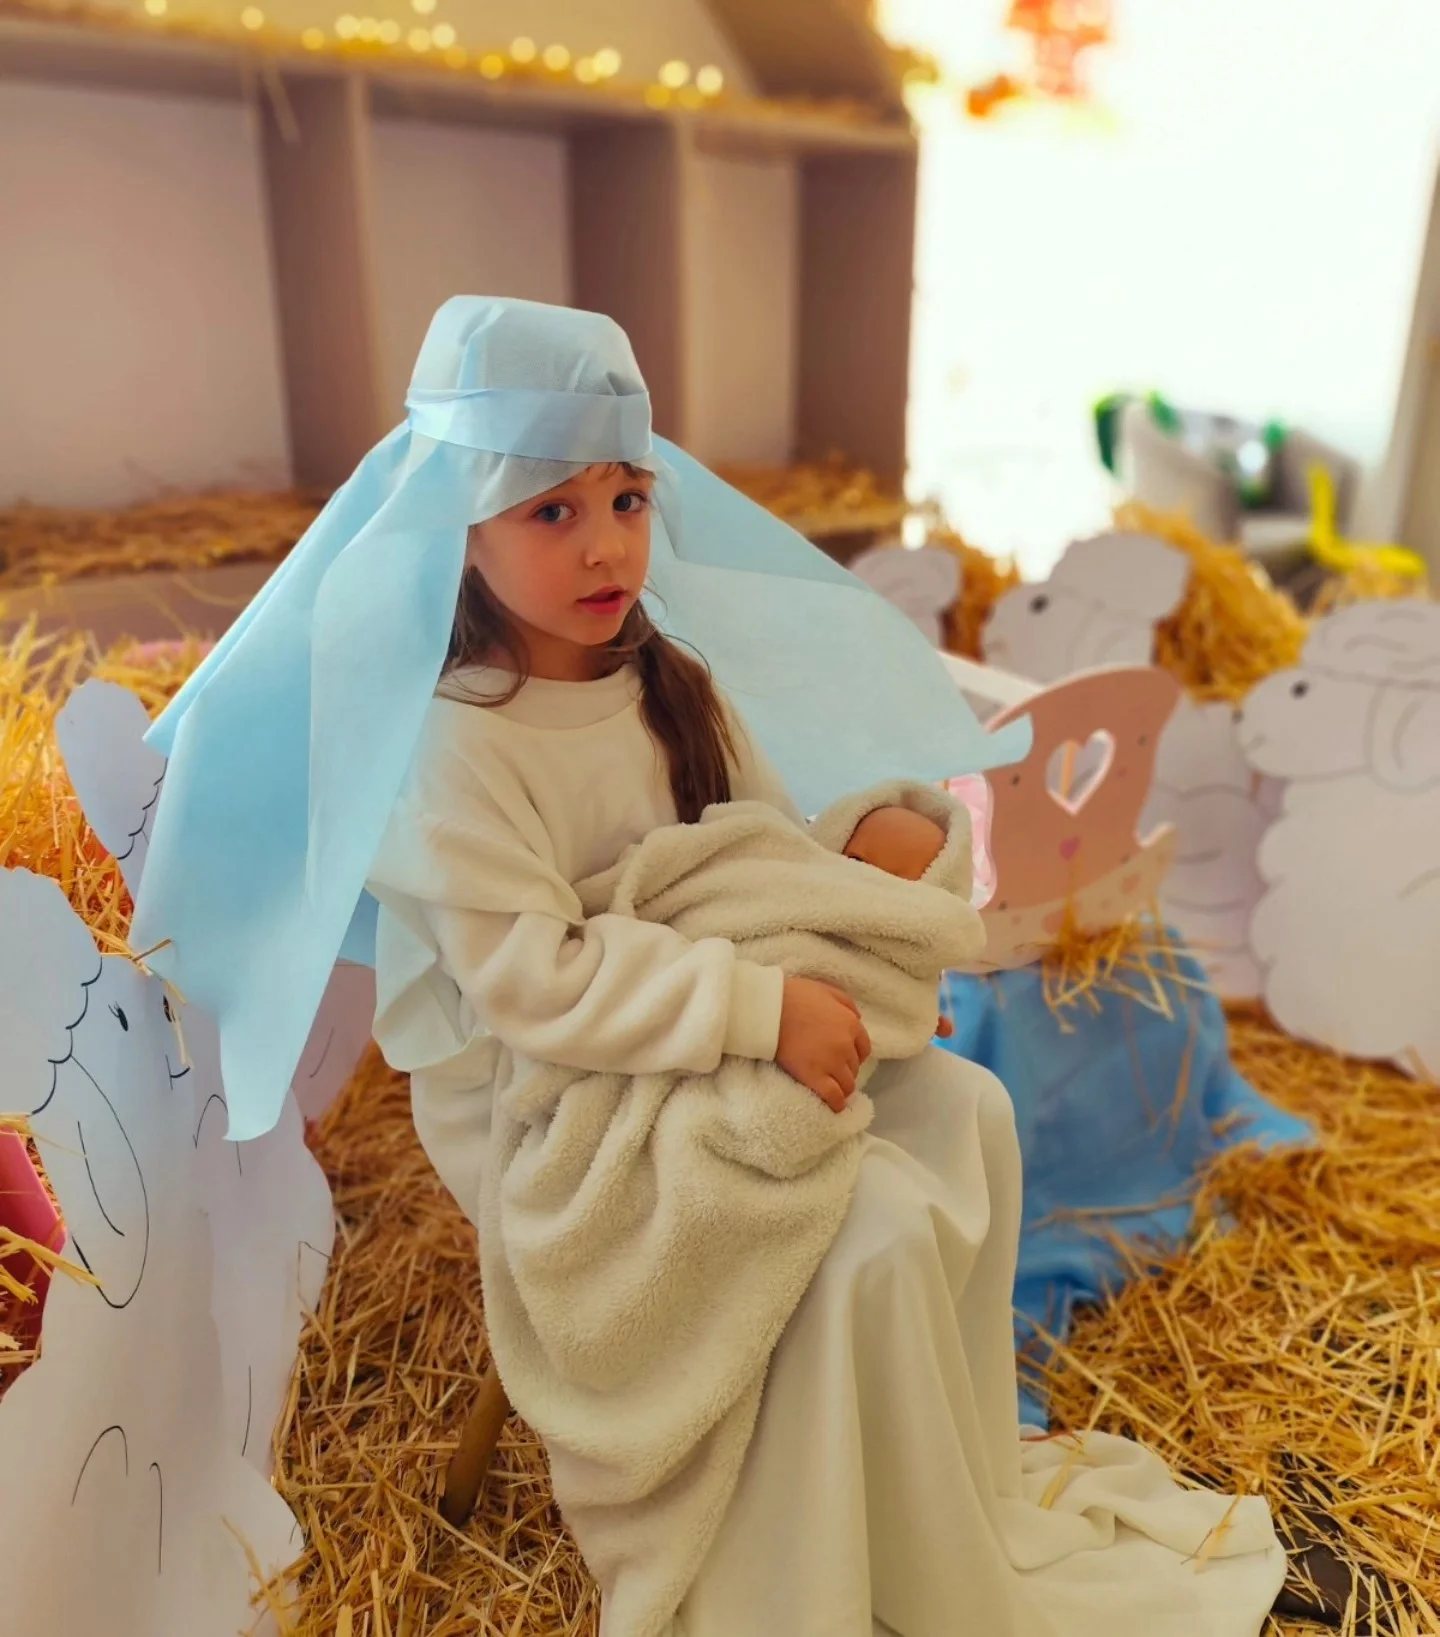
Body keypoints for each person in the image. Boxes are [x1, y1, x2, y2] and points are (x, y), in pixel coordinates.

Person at [134, 296, 1285, 1637]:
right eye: (551, 511)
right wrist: (764, 1007)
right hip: (555, 1093)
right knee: (871, 1226)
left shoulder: (666, 680)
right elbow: (534, 985)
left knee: (969, 1108)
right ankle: (812, 1557)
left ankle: (928, 1503)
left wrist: (860, 906)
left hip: (708, 1022)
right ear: (462, 527)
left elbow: (758, 859)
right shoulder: (457, 747)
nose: (605, 543)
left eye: (627, 498)